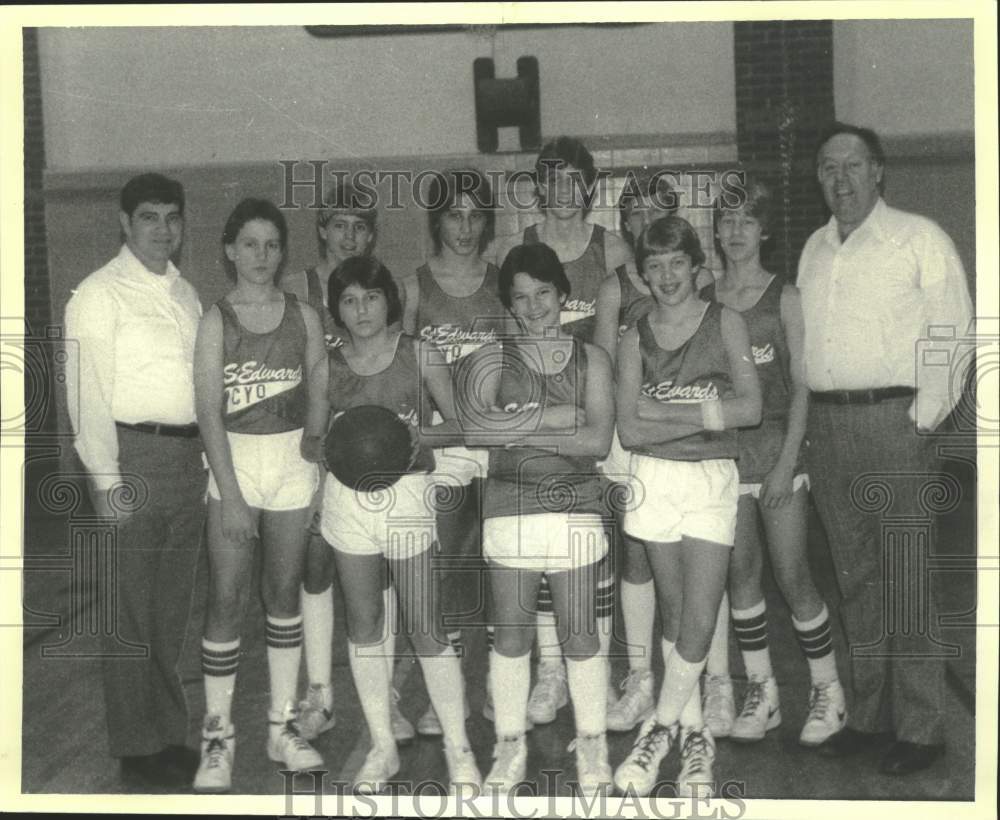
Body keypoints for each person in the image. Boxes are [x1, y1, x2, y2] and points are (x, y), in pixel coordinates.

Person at [798, 123, 973, 775]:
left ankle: (923, 727)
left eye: (851, 165)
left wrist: (921, 421)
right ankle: (869, 719)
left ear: (879, 172)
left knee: (906, 583)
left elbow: (955, 337)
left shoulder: (919, 238)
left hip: (894, 426)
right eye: (826, 167)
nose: (838, 179)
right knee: (855, 582)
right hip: (829, 430)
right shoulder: (814, 249)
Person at [65, 173, 205, 791]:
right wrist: (106, 479)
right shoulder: (97, 294)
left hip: (185, 463)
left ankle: (168, 733)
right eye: (150, 217)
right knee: (129, 614)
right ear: (124, 223)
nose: (163, 229)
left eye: (172, 217)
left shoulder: (186, 293)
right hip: (131, 461)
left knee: (169, 614)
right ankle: (135, 745)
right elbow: (85, 394)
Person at [612, 216, 761, 797]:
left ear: (698, 266)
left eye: (677, 263)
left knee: (700, 619)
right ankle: (696, 741)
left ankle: (659, 727)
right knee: (674, 621)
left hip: (710, 483)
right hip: (652, 481)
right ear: (643, 274)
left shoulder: (727, 322)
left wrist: (662, 414)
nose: (667, 275)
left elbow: (748, 409)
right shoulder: (633, 335)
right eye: (655, 266)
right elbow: (628, 428)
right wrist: (704, 417)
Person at [320, 256, 480, 794]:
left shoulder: (418, 352)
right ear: (336, 309)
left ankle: (459, 750)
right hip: (347, 501)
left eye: (370, 297)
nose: (361, 309)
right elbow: (309, 440)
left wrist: (412, 446)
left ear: (389, 299)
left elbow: (459, 423)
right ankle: (383, 746)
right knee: (364, 624)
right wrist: (346, 447)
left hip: (406, 494)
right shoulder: (328, 364)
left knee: (425, 624)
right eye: (348, 300)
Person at [461, 242, 615, 794]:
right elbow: (476, 432)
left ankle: (593, 746)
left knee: (579, 636)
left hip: (574, 506)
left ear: (563, 296)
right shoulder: (490, 359)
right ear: (508, 304)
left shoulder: (592, 358)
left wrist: (513, 424)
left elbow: (596, 439)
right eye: (520, 298)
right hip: (509, 509)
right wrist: (554, 417)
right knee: (511, 639)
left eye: (543, 294)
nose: (532, 307)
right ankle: (509, 747)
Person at [489, 136, 631, 726]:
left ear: (590, 187)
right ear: (538, 187)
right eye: (554, 179)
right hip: (539, 403)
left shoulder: (614, 245)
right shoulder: (511, 247)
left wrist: (588, 408)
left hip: (597, 397)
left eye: (576, 180)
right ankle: (548, 672)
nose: (565, 191)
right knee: (530, 545)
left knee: (598, 552)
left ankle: (594, 672)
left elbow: (629, 328)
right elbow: (505, 349)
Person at [699, 176, 846, 746]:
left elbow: (803, 388)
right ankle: (763, 692)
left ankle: (828, 691)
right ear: (716, 231)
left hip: (779, 456)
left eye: (746, 222)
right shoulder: (705, 296)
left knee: (792, 574)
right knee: (741, 576)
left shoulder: (783, 296)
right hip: (723, 463)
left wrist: (788, 463)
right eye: (727, 221)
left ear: (764, 232)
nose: (735, 232)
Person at [191, 199, 328, 792]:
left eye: (271, 245)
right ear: (229, 249)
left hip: (292, 465)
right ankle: (217, 736)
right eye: (250, 244)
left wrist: (315, 457)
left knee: (282, 594)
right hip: (235, 467)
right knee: (225, 598)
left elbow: (321, 387)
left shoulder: (303, 313)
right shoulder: (216, 319)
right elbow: (207, 412)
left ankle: (282, 724)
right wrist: (232, 493)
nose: (262, 256)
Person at [285, 185, 413, 746]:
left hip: (371, 456)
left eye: (360, 226)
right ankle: (320, 695)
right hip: (311, 442)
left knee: (374, 570)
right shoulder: (298, 290)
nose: (349, 236)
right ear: (321, 229)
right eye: (339, 225)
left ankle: (383, 692)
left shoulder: (383, 290)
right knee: (314, 569)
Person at [399, 168, 510, 735]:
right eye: (453, 215)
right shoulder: (416, 287)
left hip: (494, 445)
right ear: (436, 221)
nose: (464, 228)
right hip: (442, 450)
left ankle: (496, 679)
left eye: (474, 216)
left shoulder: (502, 280)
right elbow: (398, 368)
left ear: (486, 221)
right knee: (450, 565)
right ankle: (447, 694)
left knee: (499, 563)